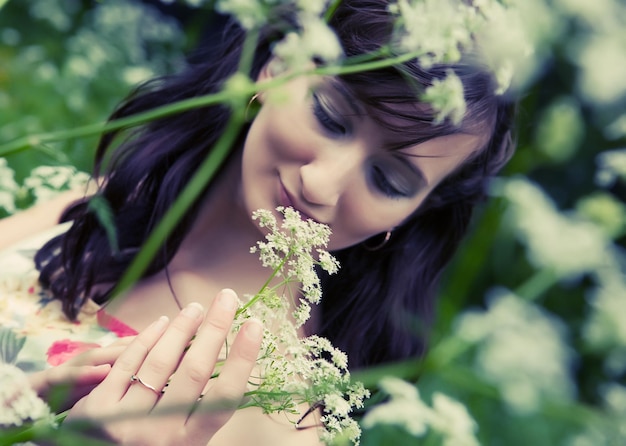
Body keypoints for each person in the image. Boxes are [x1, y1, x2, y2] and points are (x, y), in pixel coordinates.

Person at [0, 0, 515, 444]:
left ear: (412, 214)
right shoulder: (132, 193)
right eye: (330, 117)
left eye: (389, 181)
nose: (321, 183)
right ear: (274, 67)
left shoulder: (274, 409)